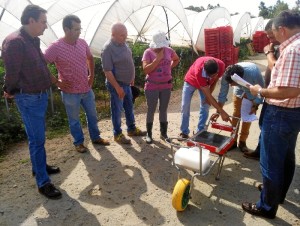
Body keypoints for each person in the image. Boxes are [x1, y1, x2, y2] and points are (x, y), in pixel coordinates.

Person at [242, 10, 300, 219]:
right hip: (294, 113)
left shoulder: (293, 50)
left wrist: (260, 91)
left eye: (274, 32)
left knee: (270, 162)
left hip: (281, 112)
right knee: (286, 157)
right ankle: (277, 195)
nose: (273, 37)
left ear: (282, 29)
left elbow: (289, 90)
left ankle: (266, 207)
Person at [2, 5, 62, 199]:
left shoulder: (33, 40)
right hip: (28, 97)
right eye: (43, 21)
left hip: (39, 95)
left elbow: (41, 64)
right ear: (31, 20)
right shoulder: (15, 43)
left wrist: (53, 80)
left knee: (37, 136)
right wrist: (8, 90)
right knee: (37, 140)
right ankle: (43, 183)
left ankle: (40, 167)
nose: (46, 26)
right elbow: (11, 73)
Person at [44, 15, 110, 153]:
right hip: (69, 92)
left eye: (80, 28)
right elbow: (41, 64)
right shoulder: (55, 47)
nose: (79, 31)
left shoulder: (82, 43)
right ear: (66, 29)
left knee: (92, 115)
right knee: (74, 120)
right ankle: (79, 142)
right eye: (76, 29)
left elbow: (90, 58)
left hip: (86, 89)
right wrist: (56, 81)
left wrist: (91, 75)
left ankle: (96, 137)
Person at [101, 22, 146, 144]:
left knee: (129, 107)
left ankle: (131, 129)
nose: (125, 37)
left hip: (127, 83)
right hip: (117, 84)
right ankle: (118, 134)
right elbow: (107, 71)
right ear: (113, 34)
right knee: (117, 110)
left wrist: (132, 77)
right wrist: (117, 87)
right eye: (122, 35)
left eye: (126, 34)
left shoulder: (124, 44)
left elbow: (129, 60)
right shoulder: (108, 49)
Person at [243, 18, 280, 160]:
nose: (270, 38)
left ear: (280, 30)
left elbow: (276, 69)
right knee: (264, 124)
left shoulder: (288, 49)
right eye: (268, 36)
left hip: (278, 98)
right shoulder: (277, 47)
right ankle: (260, 151)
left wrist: (269, 53)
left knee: (271, 129)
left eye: (272, 35)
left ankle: (268, 157)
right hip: (269, 95)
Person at [142, 31, 180, 144]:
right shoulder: (147, 52)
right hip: (152, 85)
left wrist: (169, 67)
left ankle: (164, 134)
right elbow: (146, 70)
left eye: (161, 46)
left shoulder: (169, 50)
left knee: (163, 109)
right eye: (158, 46)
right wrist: (157, 59)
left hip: (166, 85)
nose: (160, 48)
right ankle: (149, 134)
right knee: (151, 109)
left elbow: (176, 59)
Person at [217, 62, 264, 152]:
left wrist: (256, 105)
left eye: (232, 83)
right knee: (236, 115)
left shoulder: (253, 73)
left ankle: (242, 142)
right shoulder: (227, 75)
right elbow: (223, 94)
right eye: (229, 83)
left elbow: (261, 90)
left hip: (251, 92)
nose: (230, 85)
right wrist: (219, 111)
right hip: (239, 92)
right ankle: (233, 140)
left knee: (248, 116)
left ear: (239, 79)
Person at [179, 56, 230, 138]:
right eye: (211, 76)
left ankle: (200, 131)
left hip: (205, 84)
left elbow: (214, 81)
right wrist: (221, 112)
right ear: (205, 71)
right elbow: (208, 94)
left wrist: (208, 97)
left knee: (206, 105)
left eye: (215, 75)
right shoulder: (199, 71)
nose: (213, 77)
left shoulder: (221, 66)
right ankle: (184, 132)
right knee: (185, 106)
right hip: (191, 81)